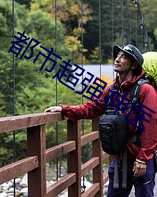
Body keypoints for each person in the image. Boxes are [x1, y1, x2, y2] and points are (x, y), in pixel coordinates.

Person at [44, 44, 157, 197]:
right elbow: (93, 108)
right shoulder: (112, 89)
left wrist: (143, 159)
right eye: (117, 56)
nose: (117, 59)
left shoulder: (145, 90)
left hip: (140, 158)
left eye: (123, 57)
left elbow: (151, 126)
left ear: (134, 65)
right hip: (120, 157)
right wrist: (65, 109)